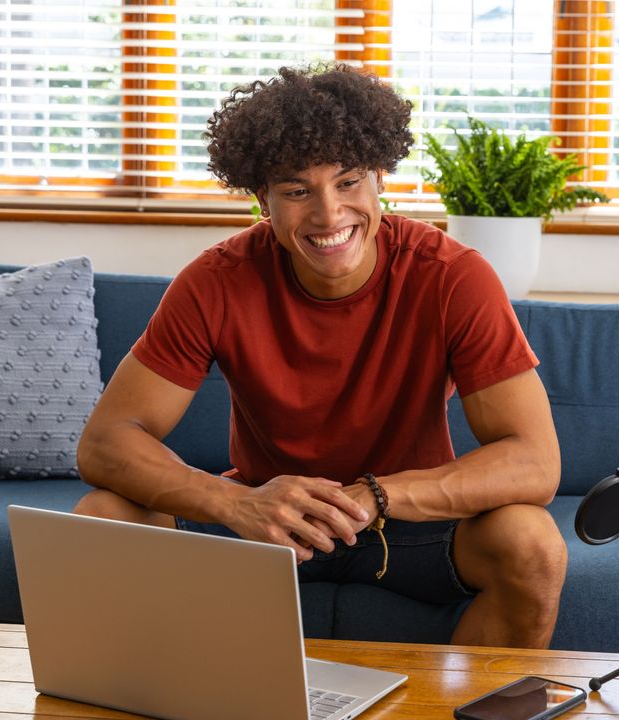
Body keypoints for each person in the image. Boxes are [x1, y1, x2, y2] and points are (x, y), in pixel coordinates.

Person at [74, 64, 567, 650]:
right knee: (100, 518)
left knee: (531, 542)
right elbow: (105, 443)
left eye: (348, 182)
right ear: (263, 200)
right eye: (297, 191)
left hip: (407, 526)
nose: (330, 215)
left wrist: (374, 495)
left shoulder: (453, 277)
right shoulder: (215, 280)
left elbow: (534, 463)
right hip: (264, 522)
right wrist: (238, 503)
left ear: (379, 178)